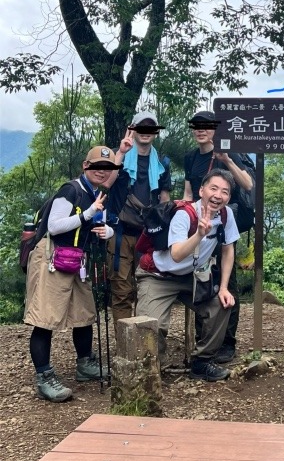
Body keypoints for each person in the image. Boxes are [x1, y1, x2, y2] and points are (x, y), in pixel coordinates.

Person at [24, 146, 120, 402]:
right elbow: (54, 226)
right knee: (46, 318)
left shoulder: (97, 194)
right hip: (52, 257)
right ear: (85, 166)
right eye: (97, 166)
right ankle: (44, 377)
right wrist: (88, 214)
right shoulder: (70, 190)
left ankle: (85, 364)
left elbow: (100, 224)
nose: (103, 171)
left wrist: (106, 231)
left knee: (84, 314)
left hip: (78, 260)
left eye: (108, 168)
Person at [136, 169, 239, 382]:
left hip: (191, 276)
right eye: (213, 188)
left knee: (222, 305)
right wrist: (200, 234)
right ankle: (149, 370)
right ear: (201, 190)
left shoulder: (226, 215)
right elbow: (176, 253)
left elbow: (229, 249)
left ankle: (202, 362)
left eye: (225, 191)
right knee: (152, 324)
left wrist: (224, 287)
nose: (218, 195)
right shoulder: (185, 214)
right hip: (157, 275)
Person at [183, 110, 254, 363]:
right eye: (197, 126)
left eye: (207, 126)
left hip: (224, 229)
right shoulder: (190, 157)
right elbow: (190, 192)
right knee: (200, 282)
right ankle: (205, 340)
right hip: (199, 228)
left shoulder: (228, 152)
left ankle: (227, 342)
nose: (201, 130)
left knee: (227, 282)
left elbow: (247, 185)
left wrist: (228, 160)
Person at [107, 112, 172, 327]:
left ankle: (142, 340)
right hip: (120, 233)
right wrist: (121, 154)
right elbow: (107, 183)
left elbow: (164, 199)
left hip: (148, 237)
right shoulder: (120, 156)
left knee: (147, 289)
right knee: (122, 290)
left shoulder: (161, 164)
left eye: (150, 129)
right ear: (132, 130)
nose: (145, 133)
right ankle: (124, 343)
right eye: (141, 128)